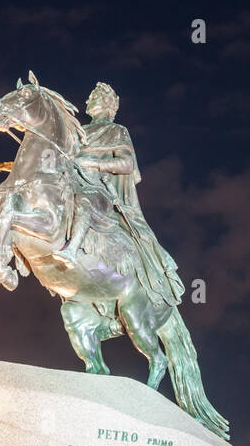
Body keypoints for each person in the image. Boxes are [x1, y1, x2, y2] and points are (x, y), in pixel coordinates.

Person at [69, 82, 184, 307]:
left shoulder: (117, 131)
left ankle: (71, 250)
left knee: (83, 202)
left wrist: (92, 162)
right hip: (73, 184)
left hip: (99, 191)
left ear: (109, 104)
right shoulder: (78, 132)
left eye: (94, 97)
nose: (87, 101)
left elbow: (127, 163)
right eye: (90, 97)